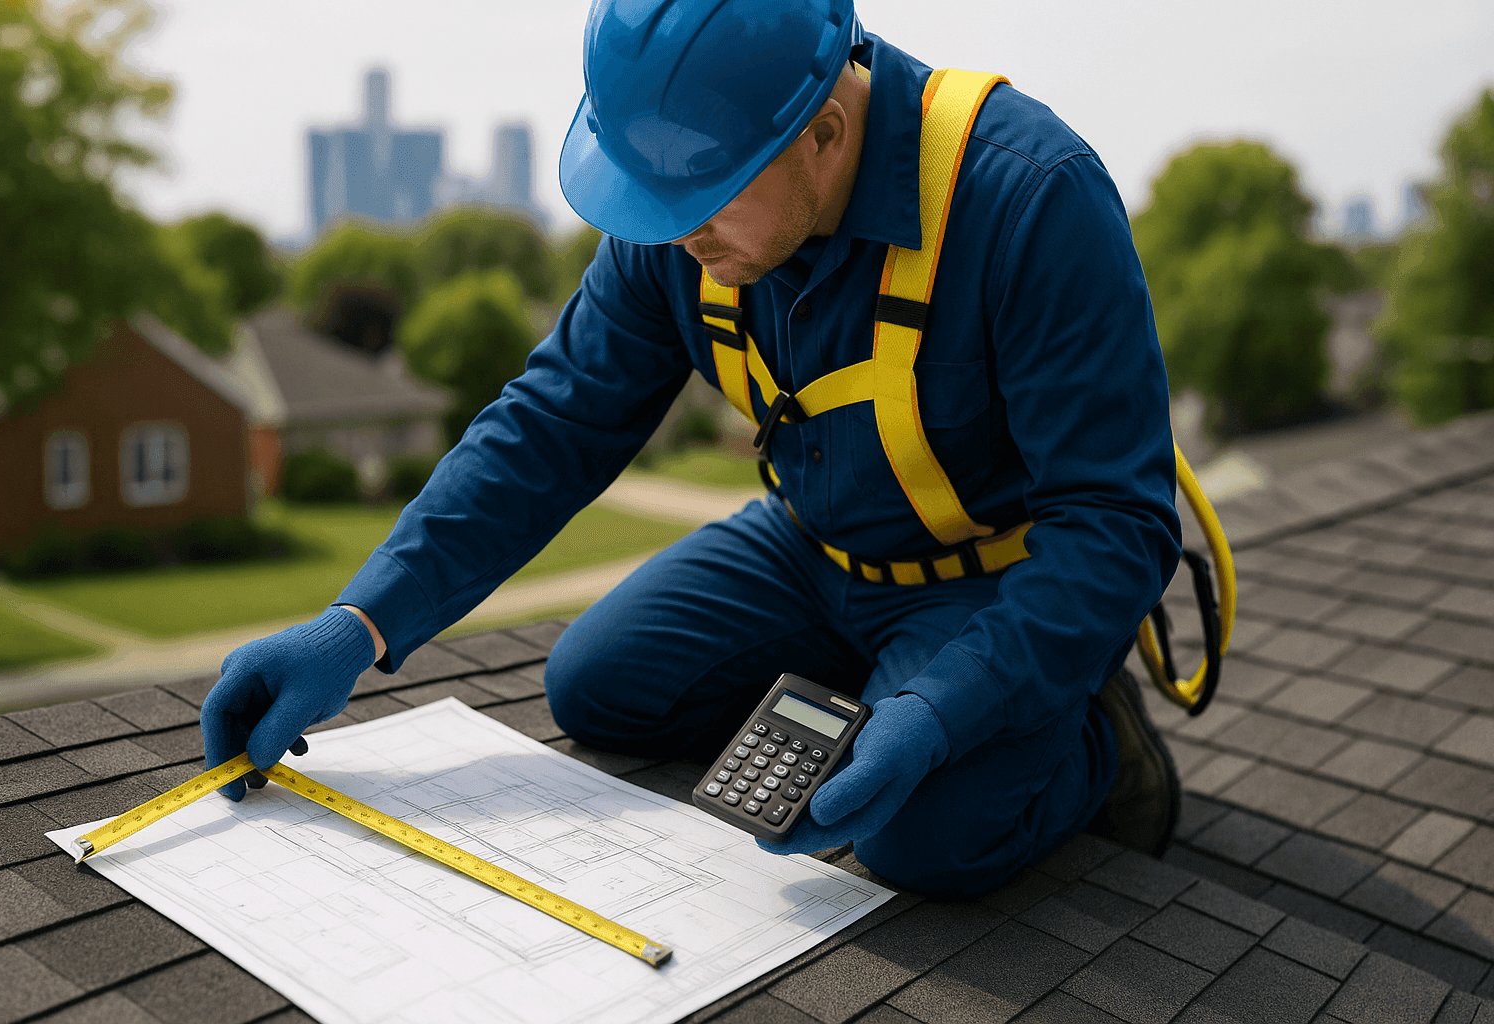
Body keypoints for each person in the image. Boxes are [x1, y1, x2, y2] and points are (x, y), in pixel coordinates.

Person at [202, 0, 1183, 896]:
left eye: (700, 209)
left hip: (985, 583)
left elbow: (1117, 526)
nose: (675, 243)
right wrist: (361, 620)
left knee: (918, 840)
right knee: (596, 683)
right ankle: (884, 690)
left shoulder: (1029, 199)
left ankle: (1090, 733)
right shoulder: (681, 198)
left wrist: (948, 704)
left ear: (827, 133)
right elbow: (553, 420)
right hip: (812, 551)